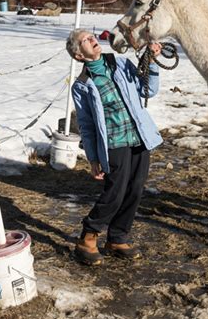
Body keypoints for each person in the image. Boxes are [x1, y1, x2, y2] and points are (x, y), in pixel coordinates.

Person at [66, 28, 163, 265]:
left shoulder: (121, 64)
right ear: (79, 55)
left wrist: (152, 62)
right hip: (113, 144)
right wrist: (92, 158)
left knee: (135, 189)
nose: (92, 40)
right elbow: (87, 126)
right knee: (115, 193)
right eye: (85, 40)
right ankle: (87, 237)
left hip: (139, 137)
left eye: (91, 37)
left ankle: (118, 238)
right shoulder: (82, 85)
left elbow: (148, 89)